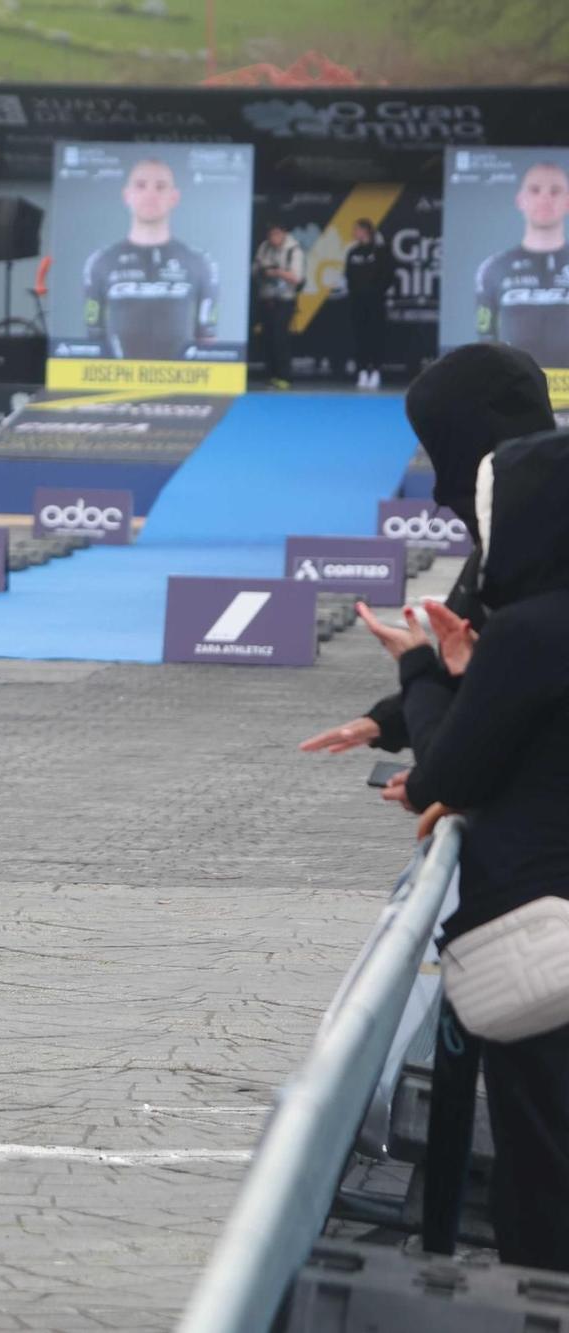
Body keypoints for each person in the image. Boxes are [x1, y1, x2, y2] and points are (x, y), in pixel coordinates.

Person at [398, 426, 569, 1275]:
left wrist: (424, 674)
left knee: (542, 1190)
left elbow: (443, 775)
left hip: (547, 945)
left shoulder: (533, 630)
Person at [299, 344, 555, 758]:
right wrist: (388, 721)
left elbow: (506, 689)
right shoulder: (512, 530)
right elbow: (474, 670)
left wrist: (416, 666)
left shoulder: (532, 547)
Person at [80, 158, 219, 363]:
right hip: (117, 382)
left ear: (174, 197)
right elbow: (93, 336)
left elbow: (208, 340)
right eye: (141, 185)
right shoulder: (100, 262)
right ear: (127, 195)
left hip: (181, 385)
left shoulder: (200, 262)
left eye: (160, 187)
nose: (150, 194)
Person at [475, 161, 569, 372]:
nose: (545, 198)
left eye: (555, 191)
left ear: (567, 201)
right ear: (520, 200)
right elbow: (485, 337)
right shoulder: (493, 268)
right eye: (535, 190)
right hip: (518, 393)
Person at [344, 219, 398, 389]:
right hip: (357, 303)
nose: (354, 233)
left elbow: (388, 276)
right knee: (359, 337)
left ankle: (375, 371)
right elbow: (349, 276)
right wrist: (356, 293)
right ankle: (361, 371)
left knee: (375, 336)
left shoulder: (381, 252)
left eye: (357, 230)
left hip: (375, 302)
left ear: (365, 231)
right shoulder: (353, 252)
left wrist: (376, 292)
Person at [252, 223, 303, 388]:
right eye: (271, 235)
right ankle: (271, 374)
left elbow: (297, 278)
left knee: (280, 337)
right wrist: (263, 271)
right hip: (267, 298)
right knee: (267, 337)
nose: (273, 238)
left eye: (277, 234)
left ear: (283, 233)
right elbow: (255, 269)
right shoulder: (264, 248)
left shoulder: (294, 250)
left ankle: (285, 376)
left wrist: (277, 272)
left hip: (285, 299)